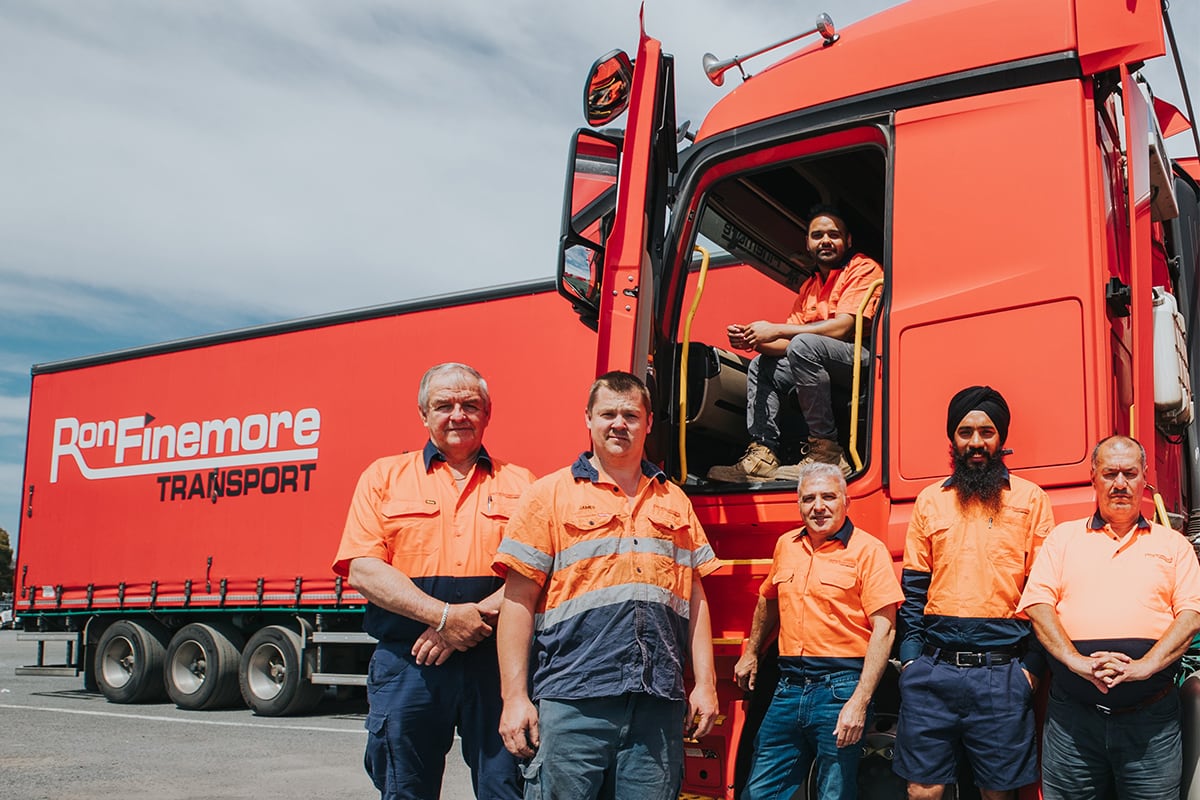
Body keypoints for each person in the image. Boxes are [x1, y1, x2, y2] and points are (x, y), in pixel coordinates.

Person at [493, 371, 720, 800]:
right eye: (608, 414)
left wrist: (705, 685)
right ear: (588, 420)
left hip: (657, 704)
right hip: (573, 700)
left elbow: (695, 597)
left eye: (631, 415)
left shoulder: (674, 501)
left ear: (648, 423)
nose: (620, 424)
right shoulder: (548, 496)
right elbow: (518, 601)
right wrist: (514, 699)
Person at [332, 362, 534, 800]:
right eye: (444, 405)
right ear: (423, 414)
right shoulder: (384, 477)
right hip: (409, 663)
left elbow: (537, 571)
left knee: (508, 789)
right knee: (405, 788)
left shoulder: (522, 485)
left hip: (497, 666)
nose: (457, 414)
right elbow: (364, 568)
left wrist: (464, 623)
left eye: (470, 405)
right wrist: (443, 617)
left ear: (488, 413)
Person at [894, 386, 1056, 800]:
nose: (976, 443)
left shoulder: (1030, 500)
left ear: (1001, 437)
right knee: (922, 791)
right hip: (933, 670)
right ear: (953, 439)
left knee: (997, 793)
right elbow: (913, 590)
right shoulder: (931, 500)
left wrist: (1031, 670)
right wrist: (911, 661)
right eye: (965, 432)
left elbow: (1044, 591)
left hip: (1002, 673)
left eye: (986, 432)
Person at [1017, 435, 1200, 800]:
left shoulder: (1173, 545)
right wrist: (1076, 662)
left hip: (1150, 723)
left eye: (1129, 473)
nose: (1120, 484)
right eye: (1110, 473)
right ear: (1093, 478)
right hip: (1073, 724)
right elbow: (1038, 606)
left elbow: (1191, 617)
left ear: (1144, 477)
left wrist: (1143, 667)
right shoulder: (1062, 539)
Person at [734, 462, 903, 800]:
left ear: (846, 502)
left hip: (839, 689)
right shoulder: (786, 546)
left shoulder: (868, 551)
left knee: (834, 792)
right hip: (788, 687)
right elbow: (768, 601)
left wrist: (859, 700)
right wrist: (751, 652)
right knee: (759, 791)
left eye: (828, 496)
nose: (818, 506)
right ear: (798, 505)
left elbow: (884, 629)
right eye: (809, 498)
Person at [707, 206, 883, 483]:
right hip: (817, 356)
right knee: (762, 365)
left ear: (847, 241)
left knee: (803, 344)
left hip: (860, 357)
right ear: (808, 243)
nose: (825, 240)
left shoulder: (863, 268)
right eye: (817, 235)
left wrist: (775, 328)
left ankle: (827, 452)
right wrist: (755, 340)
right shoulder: (810, 286)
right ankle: (764, 455)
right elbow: (788, 345)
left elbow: (844, 327)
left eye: (833, 235)